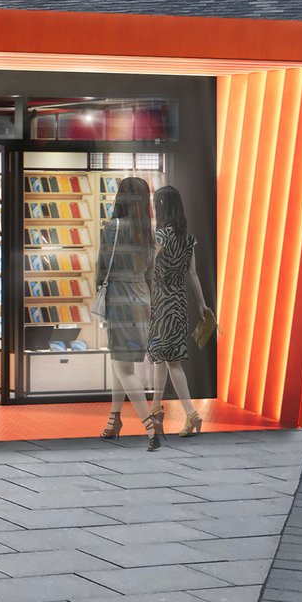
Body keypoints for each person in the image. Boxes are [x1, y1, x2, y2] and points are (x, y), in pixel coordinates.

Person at [96, 176, 161, 450]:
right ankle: (114, 420)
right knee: (121, 361)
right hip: (142, 299)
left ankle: (149, 426)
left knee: (124, 367)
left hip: (120, 299)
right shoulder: (148, 231)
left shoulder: (112, 227)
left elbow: (101, 267)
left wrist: (99, 292)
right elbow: (151, 273)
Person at [147, 186, 210, 438]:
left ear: (160, 206)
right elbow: (192, 274)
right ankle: (155, 409)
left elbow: (149, 267)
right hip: (179, 301)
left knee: (168, 360)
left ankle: (191, 413)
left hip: (161, 301)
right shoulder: (187, 237)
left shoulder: (160, 235)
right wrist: (202, 304)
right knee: (164, 357)